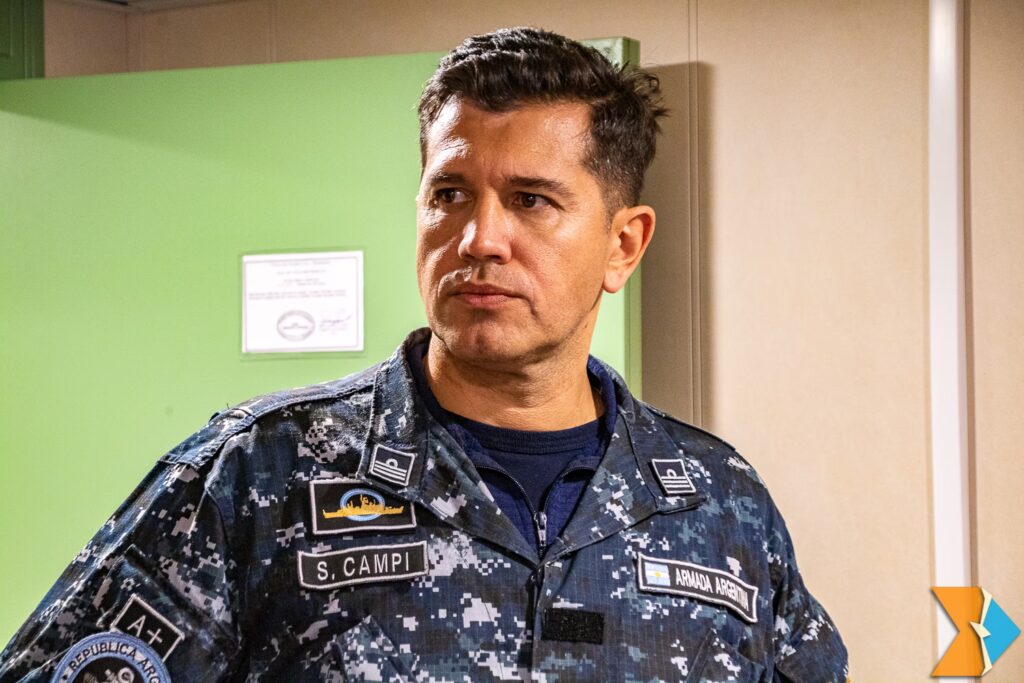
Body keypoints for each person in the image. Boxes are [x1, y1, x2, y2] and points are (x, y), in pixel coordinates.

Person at [0, 27, 847, 682]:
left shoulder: (720, 506)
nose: (479, 238)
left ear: (623, 245)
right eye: (450, 194)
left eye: (531, 200)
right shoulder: (257, 476)